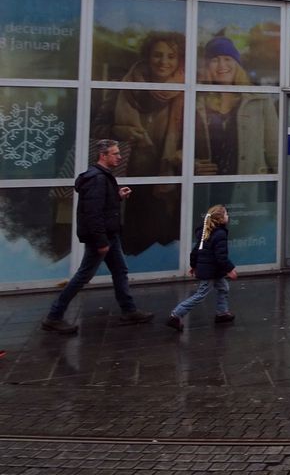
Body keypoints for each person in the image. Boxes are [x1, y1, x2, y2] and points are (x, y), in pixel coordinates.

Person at [41, 140, 154, 335]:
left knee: (120, 270)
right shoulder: (97, 179)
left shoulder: (102, 177)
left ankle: (129, 310)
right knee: (84, 275)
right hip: (101, 237)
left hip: (109, 234)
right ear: (103, 156)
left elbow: (101, 205)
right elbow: (93, 213)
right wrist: (101, 241)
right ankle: (54, 316)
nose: (119, 156)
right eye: (115, 153)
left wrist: (117, 196)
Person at [107, 32, 186, 255]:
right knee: (134, 244)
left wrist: (182, 154)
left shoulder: (187, 91)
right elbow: (95, 128)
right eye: (157, 55)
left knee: (166, 242)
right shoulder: (124, 88)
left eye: (171, 56)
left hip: (169, 181)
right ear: (147, 57)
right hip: (131, 180)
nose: (164, 62)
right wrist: (120, 131)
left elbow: (199, 139)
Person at [195, 36, 279, 176]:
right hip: (205, 188)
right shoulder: (197, 100)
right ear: (208, 66)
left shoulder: (259, 99)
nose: (222, 65)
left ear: (237, 64)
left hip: (246, 189)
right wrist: (193, 165)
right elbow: (181, 147)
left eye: (227, 59)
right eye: (215, 60)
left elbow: (275, 150)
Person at [166, 204, 237, 331]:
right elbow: (221, 256)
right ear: (220, 219)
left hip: (212, 270)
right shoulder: (219, 234)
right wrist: (230, 269)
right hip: (210, 271)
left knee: (223, 287)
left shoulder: (206, 232)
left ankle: (222, 313)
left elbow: (196, 251)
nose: (228, 216)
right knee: (201, 294)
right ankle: (175, 315)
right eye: (226, 214)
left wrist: (193, 265)